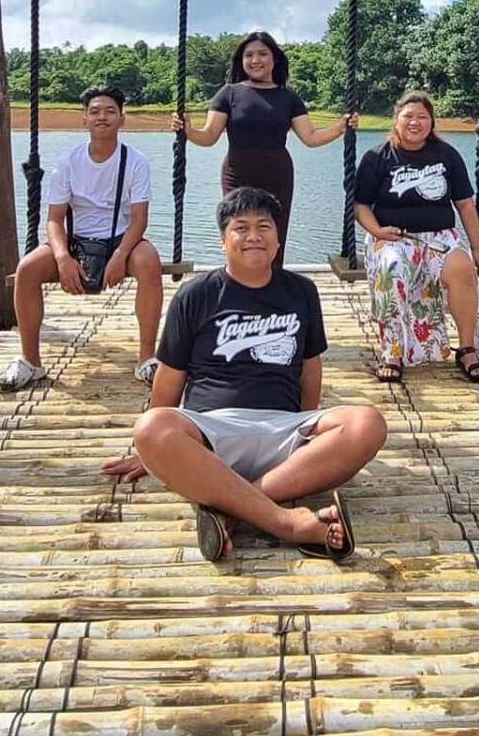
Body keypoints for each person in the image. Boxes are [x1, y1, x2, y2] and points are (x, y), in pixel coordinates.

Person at [101, 186, 387, 562]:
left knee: (368, 423)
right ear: (223, 240)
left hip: (285, 432)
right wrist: (150, 454)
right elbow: (170, 376)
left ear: (278, 237)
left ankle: (231, 507)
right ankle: (287, 522)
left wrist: (306, 432)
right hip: (212, 433)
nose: (253, 236)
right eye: (241, 227)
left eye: (264, 226)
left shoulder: (302, 291)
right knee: (151, 428)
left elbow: (309, 369)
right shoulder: (196, 294)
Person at [0, 85, 162, 394]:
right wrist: (62, 257)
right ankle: (30, 361)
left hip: (120, 239)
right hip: (74, 239)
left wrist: (118, 256)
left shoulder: (135, 161)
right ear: (84, 120)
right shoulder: (68, 161)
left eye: (110, 111)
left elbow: (139, 219)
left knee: (149, 262)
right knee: (27, 269)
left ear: (122, 120)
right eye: (95, 112)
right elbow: (54, 219)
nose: (103, 117)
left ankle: (146, 359)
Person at [352, 89, 479, 384]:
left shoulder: (446, 155)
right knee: (391, 269)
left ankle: (468, 349)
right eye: (408, 116)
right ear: (396, 119)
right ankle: (393, 352)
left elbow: (465, 205)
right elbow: (360, 206)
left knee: (461, 268)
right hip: (393, 237)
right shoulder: (377, 157)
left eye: (423, 117)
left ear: (432, 122)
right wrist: (376, 231)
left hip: (440, 237)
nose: (415, 122)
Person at [172, 30, 354, 264]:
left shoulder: (288, 98)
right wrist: (188, 130)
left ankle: (272, 288)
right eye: (249, 55)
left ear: (274, 59)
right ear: (241, 60)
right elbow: (208, 137)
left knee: (272, 234)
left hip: (277, 176)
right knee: (236, 230)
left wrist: (341, 127)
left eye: (262, 54)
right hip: (236, 174)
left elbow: (310, 137)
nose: (255, 60)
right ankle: (237, 286)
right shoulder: (228, 94)